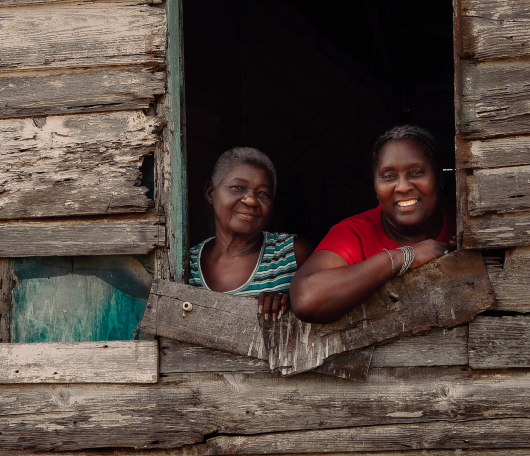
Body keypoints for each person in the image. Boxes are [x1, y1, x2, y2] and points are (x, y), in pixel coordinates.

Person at [290, 125, 456, 324]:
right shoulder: (355, 233)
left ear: (440, 177)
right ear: (375, 186)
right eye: (388, 176)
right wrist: (405, 256)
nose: (402, 187)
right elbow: (306, 299)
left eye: (416, 172)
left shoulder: (465, 225)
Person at [189, 147, 311, 321]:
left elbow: (322, 303)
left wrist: (289, 302)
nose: (252, 200)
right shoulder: (187, 264)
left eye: (263, 193)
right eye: (238, 187)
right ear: (210, 193)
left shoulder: (292, 255)